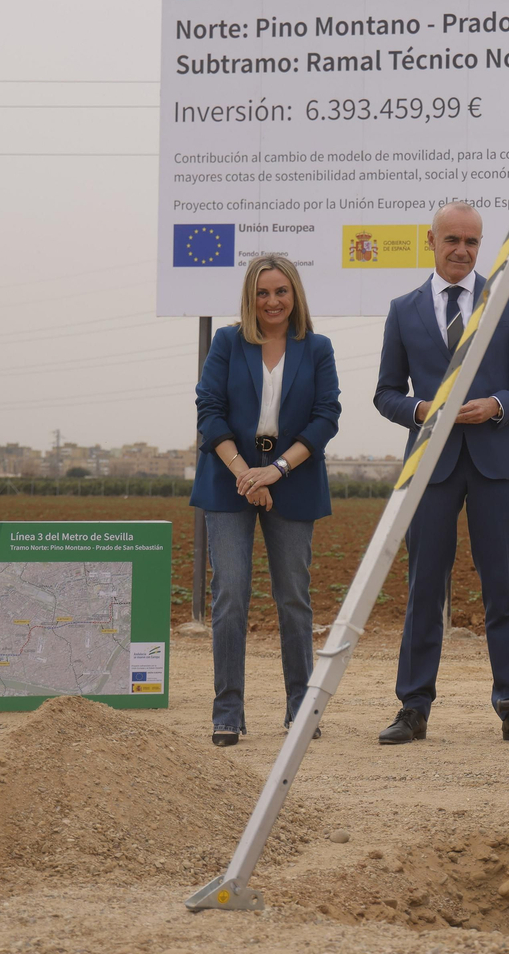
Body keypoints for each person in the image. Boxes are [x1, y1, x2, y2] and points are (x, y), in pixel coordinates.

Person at [373, 201, 509, 745]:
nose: (462, 251)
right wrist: (424, 412)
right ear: (432, 241)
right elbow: (385, 394)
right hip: (432, 466)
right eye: (452, 240)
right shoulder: (404, 309)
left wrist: (496, 405)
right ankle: (413, 707)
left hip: (497, 465)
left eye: (472, 242)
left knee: (503, 591)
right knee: (425, 586)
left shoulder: (507, 301)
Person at [192, 254, 341, 747]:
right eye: (262, 293)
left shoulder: (317, 348)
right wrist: (245, 474)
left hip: (292, 479)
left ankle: (301, 709)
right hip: (229, 479)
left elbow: (325, 419)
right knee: (230, 595)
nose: (272, 301)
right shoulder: (227, 343)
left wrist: (273, 472)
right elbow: (209, 410)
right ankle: (227, 712)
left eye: (281, 291)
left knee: (294, 600)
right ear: (249, 299)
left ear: (294, 294)